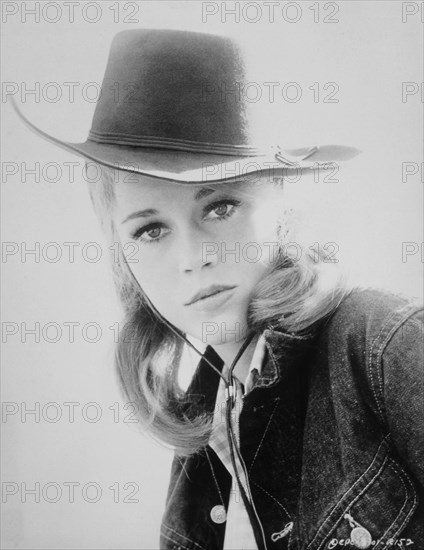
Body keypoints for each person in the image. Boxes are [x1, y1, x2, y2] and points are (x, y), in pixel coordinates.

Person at [11, 29, 423, 550]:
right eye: (150, 229)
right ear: (122, 257)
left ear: (281, 207)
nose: (191, 258)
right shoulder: (202, 430)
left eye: (220, 207)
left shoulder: (383, 344)